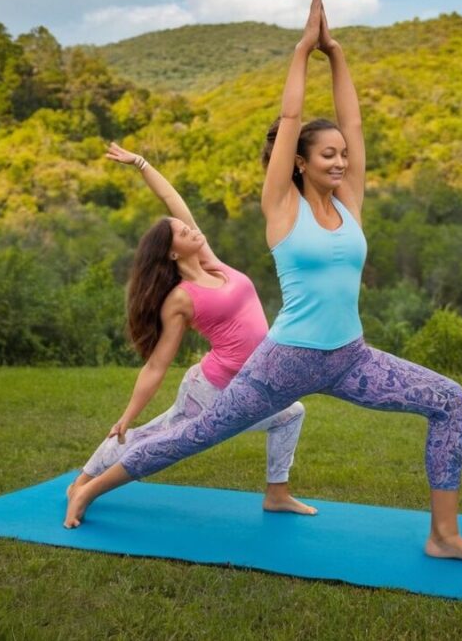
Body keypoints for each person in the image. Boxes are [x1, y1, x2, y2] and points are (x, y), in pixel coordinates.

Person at [65, 0, 462, 568]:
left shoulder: (350, 205)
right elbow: (293, 118)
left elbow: (354, 121)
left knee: (449, 399)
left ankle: (443, 534)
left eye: (343, 155)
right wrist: (302, 51)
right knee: (196, 434)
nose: (341, 161)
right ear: (299, 161)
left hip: (350, 357)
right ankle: (90, 487)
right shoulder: (282, 209)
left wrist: (336, 53)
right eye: (327, 155)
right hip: (285, 361)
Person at [66, 143, 316, 515]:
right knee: (153, 438)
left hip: (245, 383)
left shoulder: (214, 265)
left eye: (188, 227)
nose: (192, 229)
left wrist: (142, 163)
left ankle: (276, 494)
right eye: (184, 233)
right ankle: (83, 484)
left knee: (291, 414)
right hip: (212, 390)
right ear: (171, 253)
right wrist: (128, 413)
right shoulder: (180, 299)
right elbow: (157, 365)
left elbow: (173, 199)